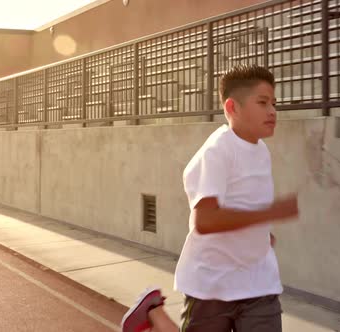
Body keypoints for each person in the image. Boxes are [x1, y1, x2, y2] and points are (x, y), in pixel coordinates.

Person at [121, 64, 299, 332]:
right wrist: (269, 214)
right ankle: (153, 312)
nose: (273, 111)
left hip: (259, 283)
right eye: (262, 103)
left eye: (274, 103)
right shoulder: (217, 151)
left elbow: (246, 203)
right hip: (212, 284)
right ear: (232, 108)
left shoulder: (261, 151)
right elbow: (205, 220)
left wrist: (262, 233)